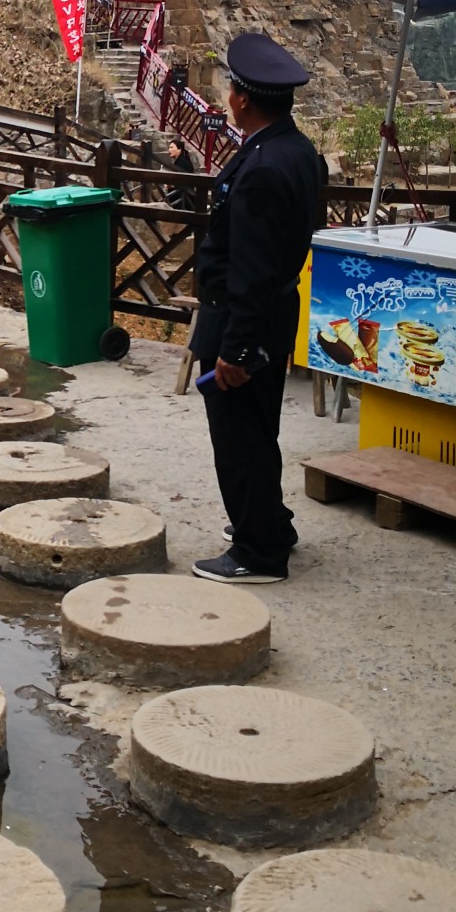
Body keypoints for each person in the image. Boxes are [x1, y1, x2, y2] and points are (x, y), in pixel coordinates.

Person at [190, 32, 321, 585]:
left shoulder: (265, 167)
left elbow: (252, 264)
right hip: (273, 309)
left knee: (239, 435)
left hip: (245, 316)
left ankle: (258, 552)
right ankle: (270, 521)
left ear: (243, 100)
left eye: (230, 90)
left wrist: (235, 349)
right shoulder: (298, 151)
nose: (227, 97)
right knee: (259, 427)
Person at [165, 135, 196, 210]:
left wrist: (170, 185)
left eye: (172, 147)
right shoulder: (182, 160)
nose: (169, 150)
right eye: (169, 147)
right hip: (186, 195)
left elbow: (181, 180)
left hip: (184, 197)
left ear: (179, 149)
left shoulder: (181, 162)